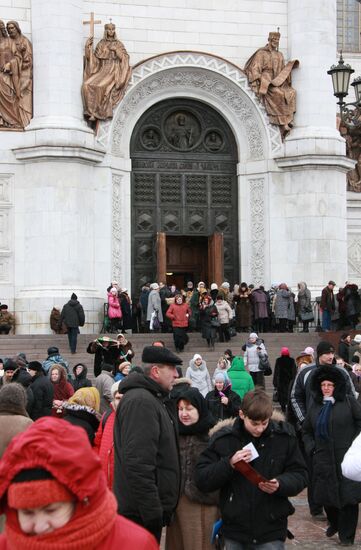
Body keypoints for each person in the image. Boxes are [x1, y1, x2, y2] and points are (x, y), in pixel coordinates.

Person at [0, 417, 159, 549]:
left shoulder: (135, 545)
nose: (40, 526)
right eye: (27, 513)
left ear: (80, 502)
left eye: (51, 510)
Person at [195, 389, 308, 549]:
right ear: (242, 415)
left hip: (271, 528)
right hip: (234, 529)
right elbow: (202, 479)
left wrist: (280, 483)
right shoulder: (224, 440)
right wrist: (229, 463)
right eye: (254, 423)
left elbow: (300, 474)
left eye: (264, 423)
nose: (260, 429)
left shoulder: (284, 439)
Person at [113, 345, 182, 543]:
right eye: (172, 369)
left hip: (143, 512)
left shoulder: (152, 399)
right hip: (140, 515)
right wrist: (153, 513)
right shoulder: (142, 402)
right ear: (155, 371)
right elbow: (138, 464)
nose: (176, 375)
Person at [303, 365, 361, 546]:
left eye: (330, 384)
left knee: (349, 498)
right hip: (323, 458)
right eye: (323, 384)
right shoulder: (315, 406)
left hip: (346, 457)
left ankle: (347, 536)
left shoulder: (349, 402)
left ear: (336, 386)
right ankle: (335, 522)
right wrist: (311, 448)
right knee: (326, 497)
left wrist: (356, 445)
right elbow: (306, 431)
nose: (326, 388)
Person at [165, 387, 218, 550]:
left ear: (199, 409)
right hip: (176, 506)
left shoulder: (213, 436)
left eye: (189, 408)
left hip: (203, 505)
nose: (183, 413)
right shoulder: (173, 433)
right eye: (180, 409)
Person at [244, 31, 298, 138]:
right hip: (266, 79)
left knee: (291, 92)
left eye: (277, 40)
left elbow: (282, 70)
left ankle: (287, 120)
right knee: (278, 94)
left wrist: (288, 69)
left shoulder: (280, 55)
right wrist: (259, 78)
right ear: (269, 40)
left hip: (278, 81)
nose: (276, 42)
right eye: (274, 40)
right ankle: (283, 124)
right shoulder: (261, 53)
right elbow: (255, 68)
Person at [82, 23, 131, 122]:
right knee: (86, 85)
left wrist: (117, 51)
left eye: (113, 29)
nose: (111, 31)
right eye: (109, 29)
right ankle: (89, 111)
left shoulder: (118, 44)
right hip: (101, 69)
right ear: (106, 31)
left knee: (100, 86)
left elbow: (125, 58)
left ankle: (96, 112)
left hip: (113, 70)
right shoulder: (101, 43)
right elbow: (94, 60)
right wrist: (88, 48)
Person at [0, 21, 32, 129]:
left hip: (10, 74)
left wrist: (10, 64)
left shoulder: (10, 42)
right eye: (9, 28)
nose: (10, 30)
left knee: (5, 86)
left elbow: (18, 58)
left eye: (12, 28)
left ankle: (12, 120)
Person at [94, 382, 123, 489]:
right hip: (104, 479)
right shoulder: (106, 415)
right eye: (118, 398)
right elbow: (97, 443)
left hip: (120, 485)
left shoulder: (133, 418)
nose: (121, 401)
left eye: (124, 398)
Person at [273, 347, 297, 413]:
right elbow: (294, 372)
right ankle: (289, 408)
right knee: (289, 395)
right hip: (289, 382)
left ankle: (283, 409)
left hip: (281, 382)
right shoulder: (292, 360)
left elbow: (276, 372)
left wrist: (275, 382)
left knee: (282, 397)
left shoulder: (278, 360)